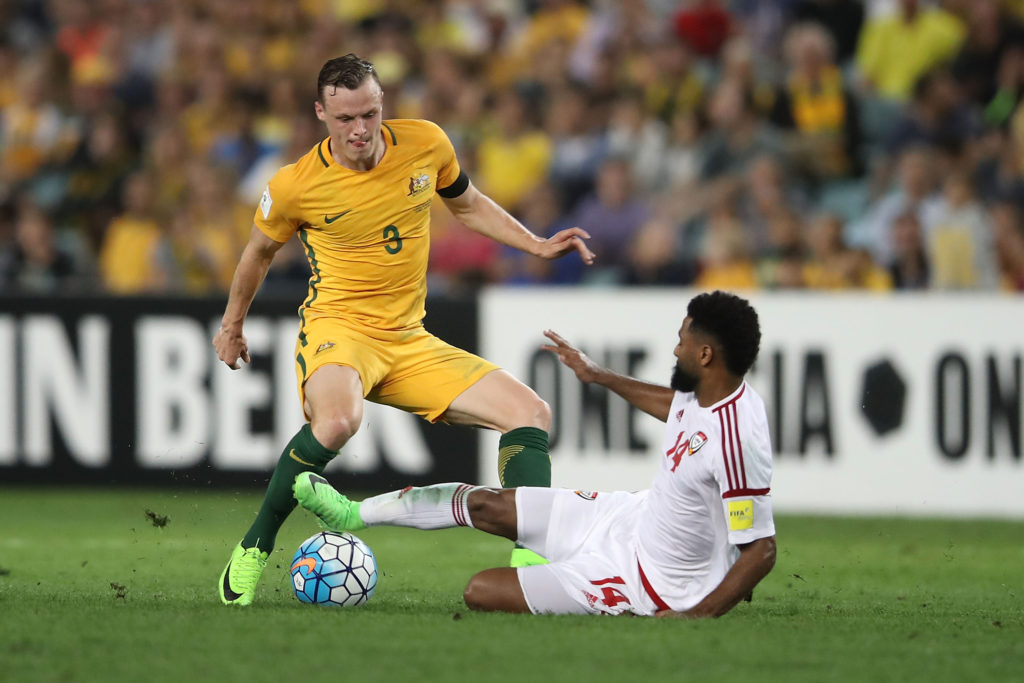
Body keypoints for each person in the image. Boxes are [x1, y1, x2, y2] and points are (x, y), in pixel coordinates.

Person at [213, 54, 595, 606]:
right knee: (339, 420)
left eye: (368, 113)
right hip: (339, 330)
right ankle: (255, 544)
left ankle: (530, 566)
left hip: (409, 340)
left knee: (530, 413)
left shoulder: (426, 144)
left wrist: (535, 242)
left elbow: (468, 205)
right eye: (344, 119)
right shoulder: (296, 185)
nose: (360, 130)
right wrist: (232, 326)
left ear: (382, 104)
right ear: (321, 113)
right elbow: (257, 253)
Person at [294, 291, 777, 617]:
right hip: (626, 516)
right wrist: (599, 375)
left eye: (684, 338)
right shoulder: (709, 395)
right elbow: (679, 409)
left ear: (707, 356)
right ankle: (352, 514)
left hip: (648, 581)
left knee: (479, 591)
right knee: (485, 503)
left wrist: (696, 615)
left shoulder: (738, 438)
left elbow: (762, 549)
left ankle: (564, 571)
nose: (676, 348)